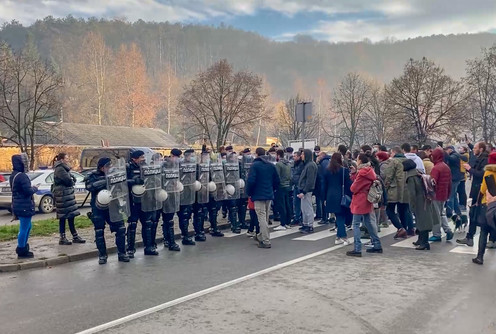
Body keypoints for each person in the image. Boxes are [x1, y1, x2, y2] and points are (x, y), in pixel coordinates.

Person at [85, 157, 130, 264]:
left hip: (113, 205)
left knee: (121, 229)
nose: (110, 168)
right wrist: (106, 180)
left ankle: (122, 253)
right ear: (101, 167)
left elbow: (123, 185)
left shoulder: (115, 174)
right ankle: (102, 255)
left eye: (110, 166)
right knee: (99, 231)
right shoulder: (92, 176)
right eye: (107, 166)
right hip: (98, 207)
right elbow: (90, 186)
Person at [346, 154, 383, 257]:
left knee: (356, 224)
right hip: (368, 198)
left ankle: (357, 248)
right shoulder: (370, 170)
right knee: (369, 223)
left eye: (357, 159)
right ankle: (377, 244)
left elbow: (353, 188)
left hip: (359, 199)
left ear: (360, 161)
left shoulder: (362, 173)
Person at [246, 147, 280, 248]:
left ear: (257, 154)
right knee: (265, 217)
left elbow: (251, 181)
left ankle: (265, 240)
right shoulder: (271, 165)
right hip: (268, 194)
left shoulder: (255, 165)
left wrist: (249, 192)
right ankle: (260, 236)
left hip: (258, 194)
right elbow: (277, 180)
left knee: (261, 218)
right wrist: (272, 189)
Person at [457, 142, 489, 246]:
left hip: (480, 191)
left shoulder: (485, 159)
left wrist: (470, 169)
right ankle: (469, 237)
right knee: (472, 213)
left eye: (475, 148)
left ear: (481, 149)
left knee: (478, 214)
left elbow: (482, 174)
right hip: (475, 190)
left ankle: (477, 237)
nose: (473, 150)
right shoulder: (479, 158)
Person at [52, 153, 85, 245]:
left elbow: (71, 179)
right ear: (62, 160)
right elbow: (68, 180)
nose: (68, 159)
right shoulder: (60, 169)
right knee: (63, 217)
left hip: (67, 195)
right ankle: (62, 237)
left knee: (71, 215)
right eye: (66, 158)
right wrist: (71, 181)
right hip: (62, 195)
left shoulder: (64, 168)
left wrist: (72, 179)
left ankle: (74, 235)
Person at [11, 154, 38, 258]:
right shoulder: (22, 176)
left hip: (18, 203)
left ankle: (23, 247)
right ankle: (21, 249)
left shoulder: (14, 174)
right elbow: (28, 191)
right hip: (24, 205)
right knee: (24, 227)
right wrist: (35, 188)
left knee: (27, 226)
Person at [403, 159, 434, 250]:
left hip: (418, 201)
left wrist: (411, 205)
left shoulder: (410, 177)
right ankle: (421, 240)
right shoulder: (418, 173)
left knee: (422, 221)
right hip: (425, 198)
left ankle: (424, 242)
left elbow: (412, 193)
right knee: (422, 220)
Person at [384, 146, 414, 238]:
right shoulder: (407, 160)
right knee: (404, 210)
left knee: (389, 210)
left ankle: (400, 228)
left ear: (394, 152)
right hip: (406, 189)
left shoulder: (393, 162)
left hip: (394, 189)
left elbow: (389, 176)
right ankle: (406, 229)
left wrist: (385, 188)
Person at [324, 153, 352, 245]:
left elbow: (324, 185)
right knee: (341, 216)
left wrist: (324, 198)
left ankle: (338, 237)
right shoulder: (344, 170)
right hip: (341, 195)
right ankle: (343, 236)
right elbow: (348, 184)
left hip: (330, 195)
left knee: (338, 216)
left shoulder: (327, 170)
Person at [429, 148, 453, 242]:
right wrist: (448, 193)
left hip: (436, 194)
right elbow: (450, 182)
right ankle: (448, 230)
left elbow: (433, 182)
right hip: (444, 193)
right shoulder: (446, 167)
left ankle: (437, 234)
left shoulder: (436, 168)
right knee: (442, 213)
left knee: (436, 215)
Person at [444, 145, 468, 225]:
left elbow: (451, 160)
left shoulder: (454, 155)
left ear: (450, 149)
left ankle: (449, 212)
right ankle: (457, 211)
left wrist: (445, 154)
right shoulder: (456, 155)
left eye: (447, 150)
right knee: (453, 195)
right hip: (456, 177)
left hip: (454, 178)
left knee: (450, 196)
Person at [298, 149, 318, 234]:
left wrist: (304, 191)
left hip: (307, 190)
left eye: (303, 154)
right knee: (304, 208)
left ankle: (309, 225)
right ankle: (305, 223)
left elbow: (310, 180)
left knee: (308, 208)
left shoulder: (310, 165)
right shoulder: (308, 164)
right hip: (305, 189)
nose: (301, 156)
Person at [476, 191, 496, 264]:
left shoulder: (488, 178)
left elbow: (482, 189)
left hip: (488, 205)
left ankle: (480, 257)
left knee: (484, 231)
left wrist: (478, 202)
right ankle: (492, 240)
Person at [274, 149, 292, 230]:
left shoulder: (278, 164)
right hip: (287, 186)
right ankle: (288, 222)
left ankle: (283, 223)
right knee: (287, 204)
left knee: (282, 205)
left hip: (281, 186)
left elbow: (277, 177)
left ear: (278, 155)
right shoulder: (288, 164)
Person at [315, 151, 331, 224]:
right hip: (325, 184)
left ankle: (325, 218)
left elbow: (322, 175)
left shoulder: (323, 163)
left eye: (318, 155)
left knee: (323, 201)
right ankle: (326, 217)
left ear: (322, 156)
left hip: (322, 184)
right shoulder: (327, 162)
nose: (317, 157)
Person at [291, 150, 304, 225]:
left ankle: (301, 218)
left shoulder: (301, 164)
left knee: (300, 202)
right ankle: (297, 217)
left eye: (295, 156)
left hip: (300, 185)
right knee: (296, 202)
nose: (293, 157)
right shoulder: (295, 164)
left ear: (299, 156)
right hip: (295, 185)